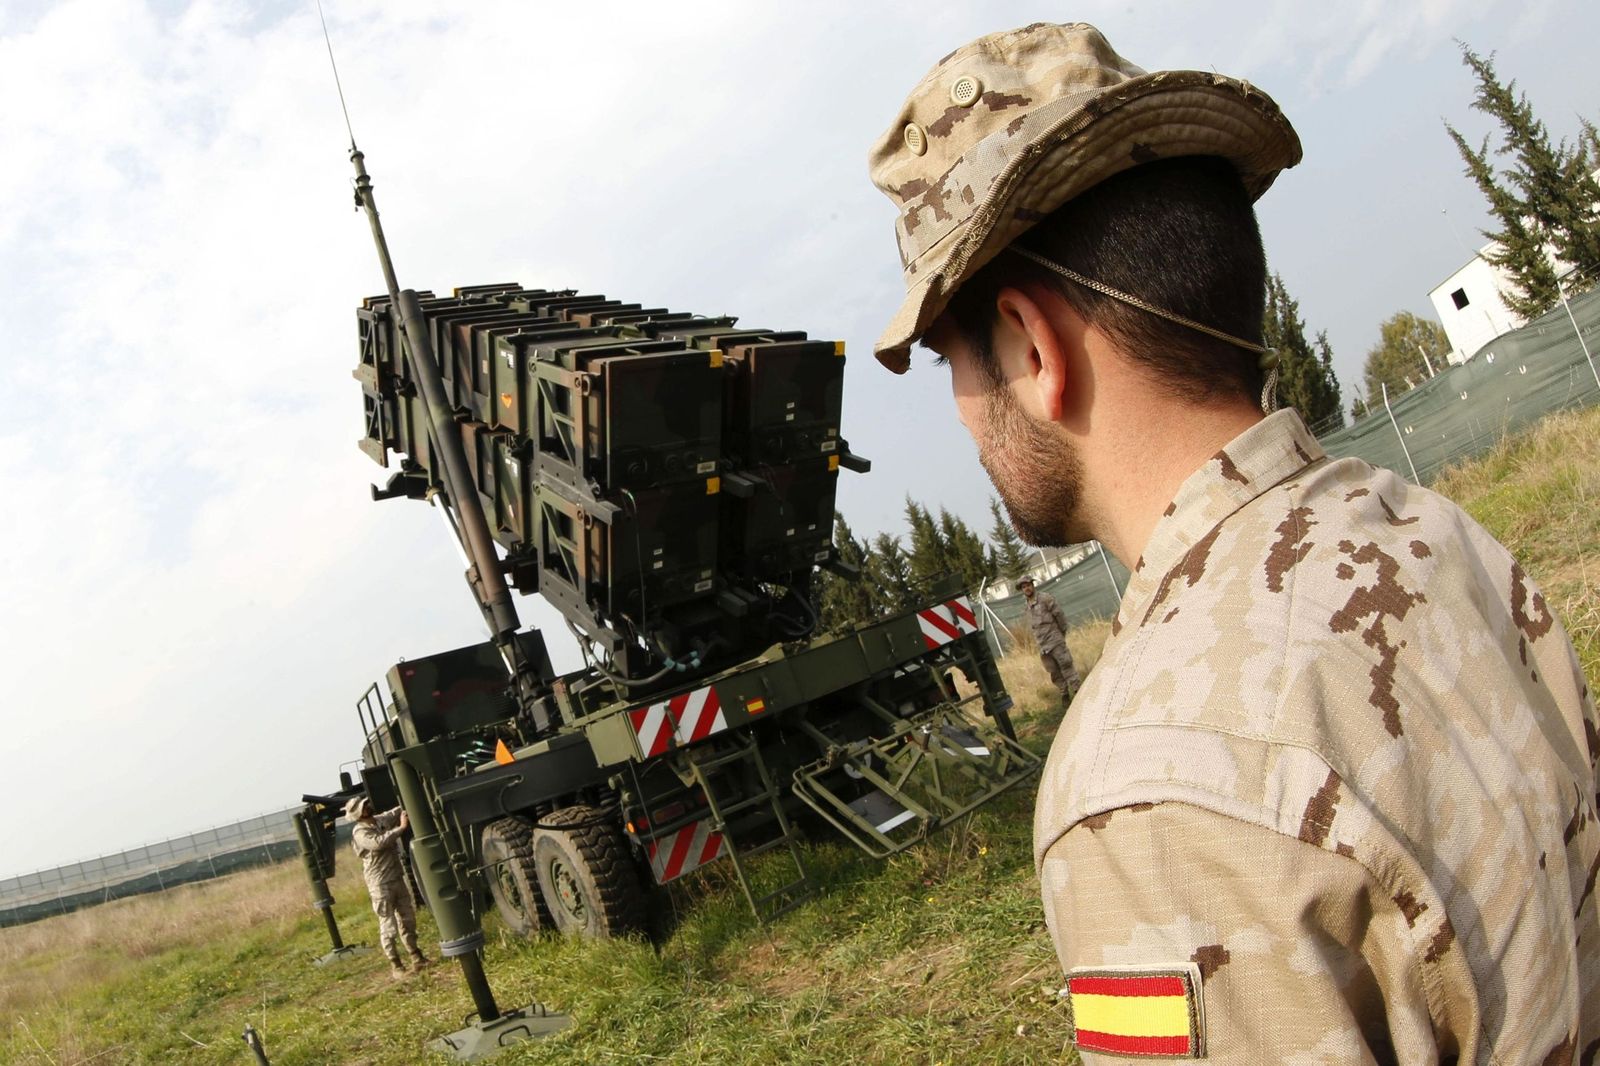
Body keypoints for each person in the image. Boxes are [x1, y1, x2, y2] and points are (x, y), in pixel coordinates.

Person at [866, 21, 1598, 1063]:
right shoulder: (1426, 531)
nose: (962, 412)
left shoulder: (1143, 787)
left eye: (952, 361)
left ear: (1033, 346)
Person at [345, 795, 429, 979]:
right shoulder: (360, 832)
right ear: (358, 813)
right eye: (364, 806)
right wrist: (401, 828)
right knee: (388, 924)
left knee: (407, 919)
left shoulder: (380, 820)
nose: (368, 806)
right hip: (380, 884)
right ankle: (396, 964)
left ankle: (416, 956)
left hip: (396, 878)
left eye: (367, 804)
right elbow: (379, 843)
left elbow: (395, 812)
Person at [1017, 575, 1079, 703]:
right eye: (1024, 587)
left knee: (1066, 665)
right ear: (1022, 590)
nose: (1027, 588)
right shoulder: (1027, 607)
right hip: (1043, 645)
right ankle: (1064, 694)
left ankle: (1077, 690)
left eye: (1028, 585)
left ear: (1033, 585)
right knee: (1053, 671)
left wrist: (1061, 633)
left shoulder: (1045, 598)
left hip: (1055, 639)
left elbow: (1059, 615)